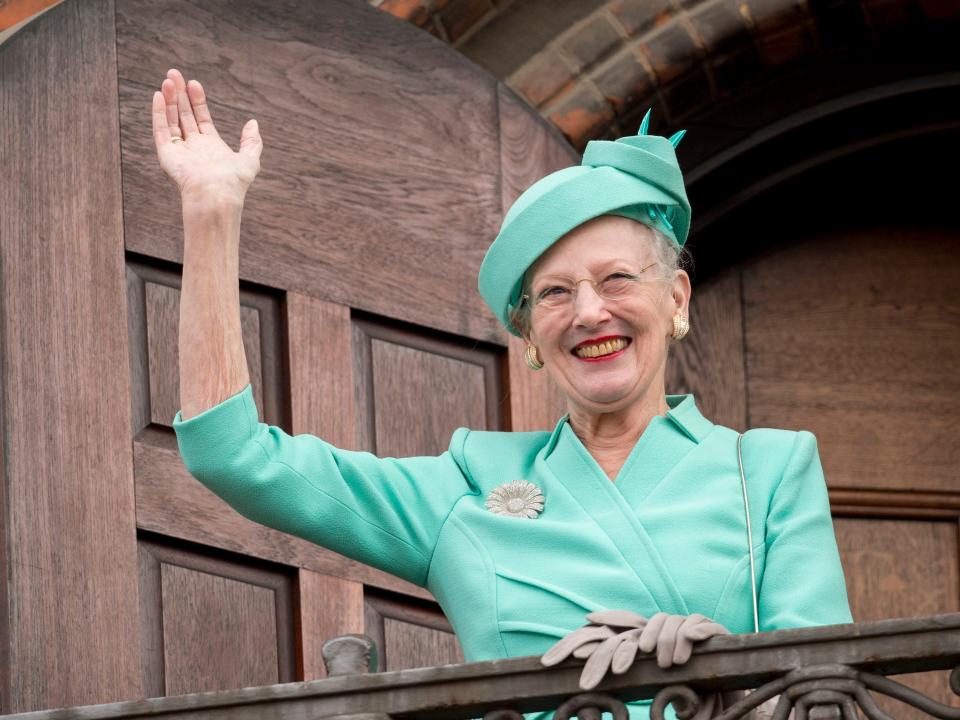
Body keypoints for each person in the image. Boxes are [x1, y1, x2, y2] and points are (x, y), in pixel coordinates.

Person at [154, 67, 852, 719]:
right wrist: (211, 217)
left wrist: (711, 676)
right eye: (554, 293)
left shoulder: (767, 469)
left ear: (675, 300)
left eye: (616, 280)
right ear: (527, 338)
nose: (588, 313)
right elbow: (234, 457)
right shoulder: (467, 487)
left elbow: (825, 696)